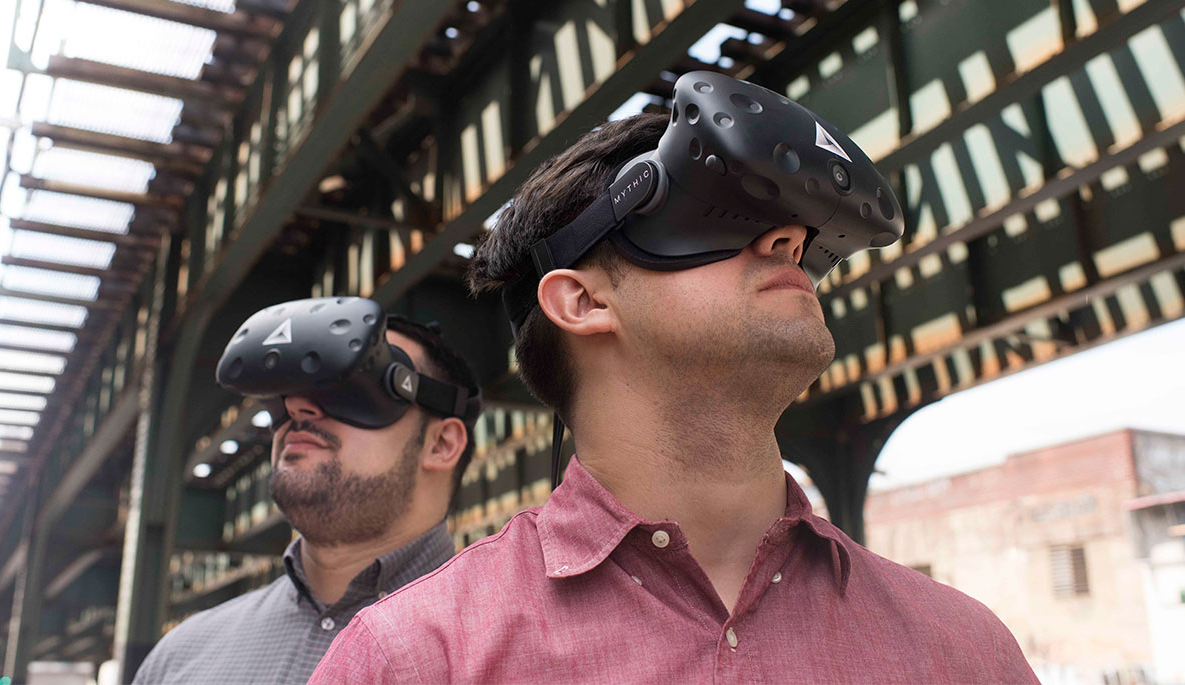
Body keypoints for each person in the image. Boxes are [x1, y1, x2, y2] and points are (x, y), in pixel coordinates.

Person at [310, 111, 1037, 683]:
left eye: (794, 227)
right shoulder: (409, 662)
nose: (789, 239)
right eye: (716, 211)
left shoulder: (969, 651)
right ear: (582, 300)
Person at [133, 315, 480, 684]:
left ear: (441, 444)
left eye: (353, 386)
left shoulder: (522, 650)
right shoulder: (179, 657)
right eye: (285, 392)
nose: (298, 406)